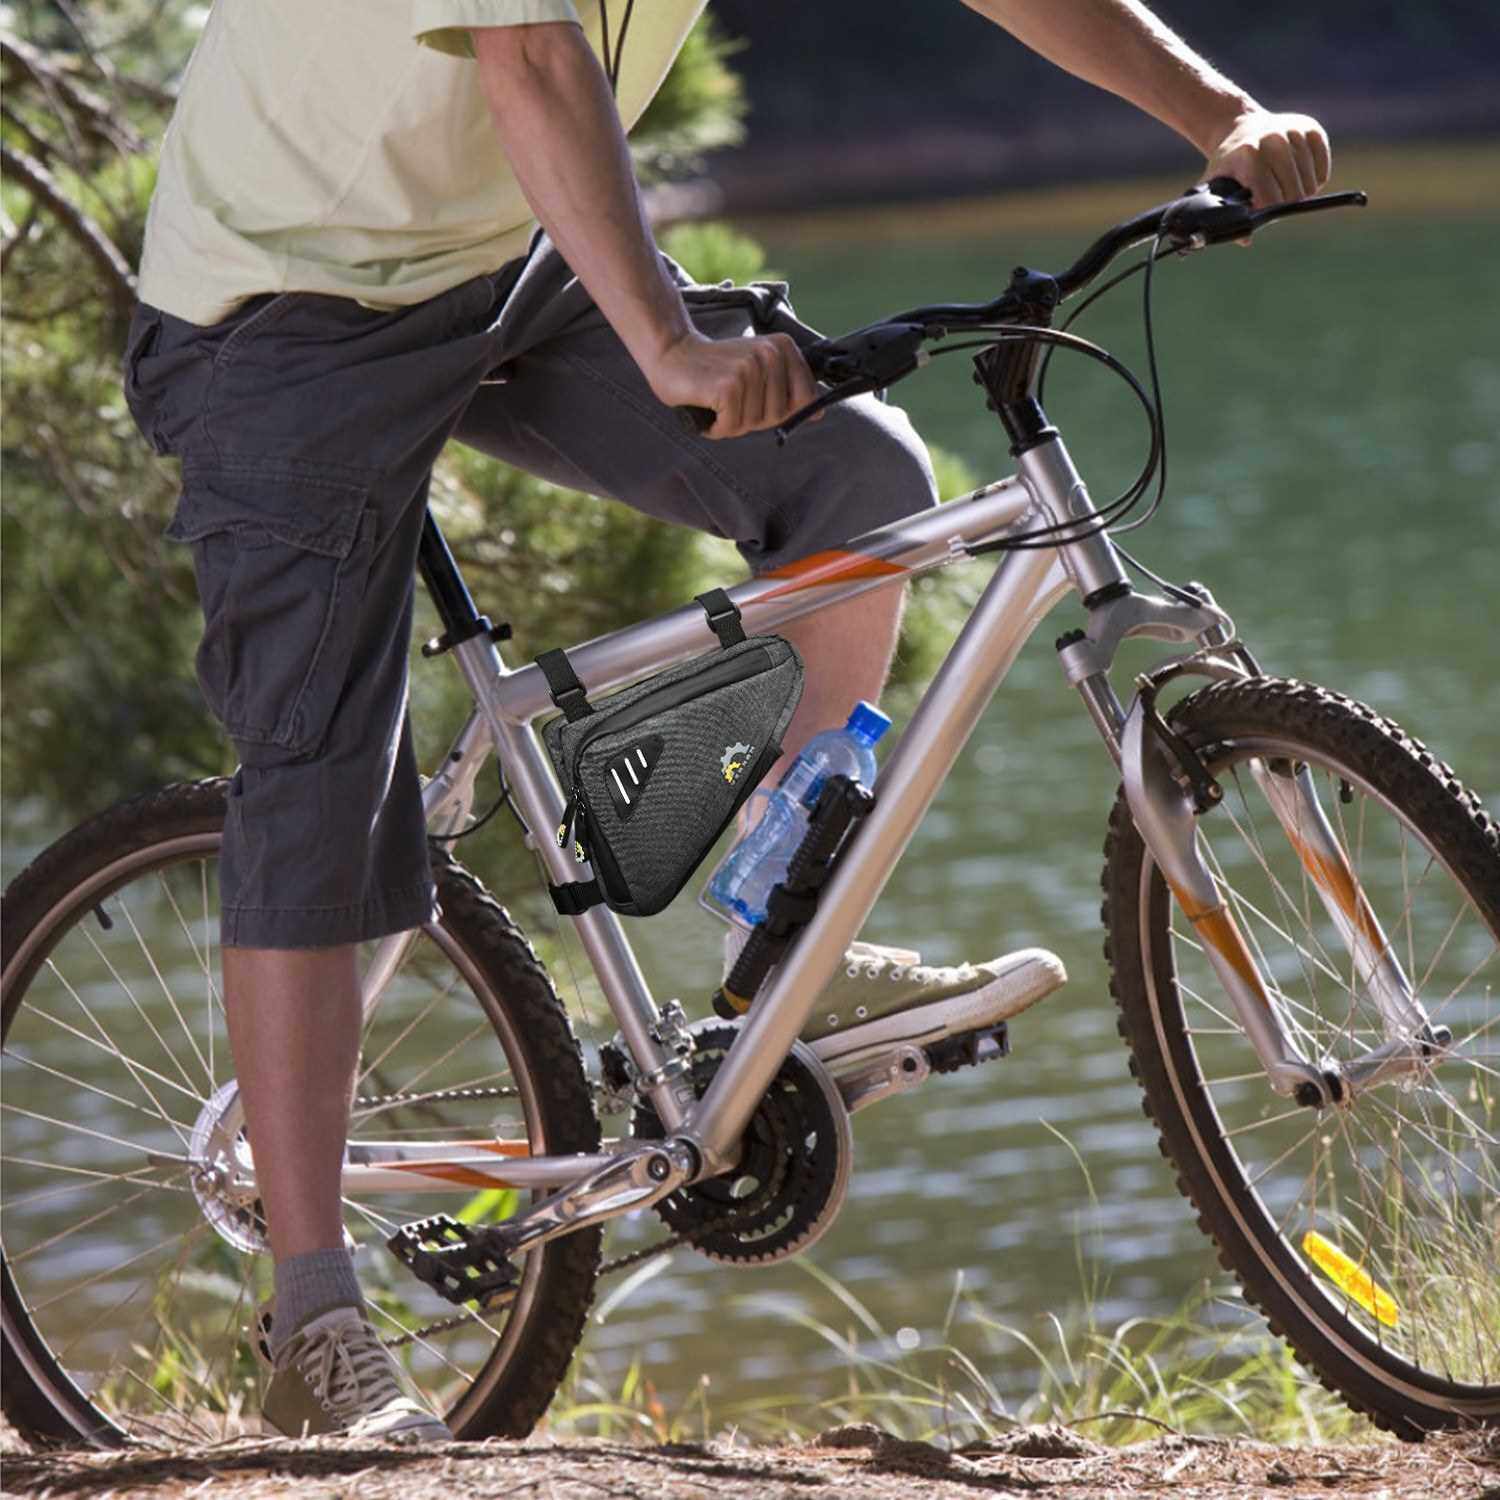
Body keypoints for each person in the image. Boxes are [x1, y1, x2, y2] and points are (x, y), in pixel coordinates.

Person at [124, 0, 1331, 1443]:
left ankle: (769, 952)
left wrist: (1221, 117)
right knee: (326, 776)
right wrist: (665, 340)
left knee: (859, 487)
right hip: (282, 311)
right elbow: (532, 54)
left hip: (504, 266)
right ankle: (316, 1316)